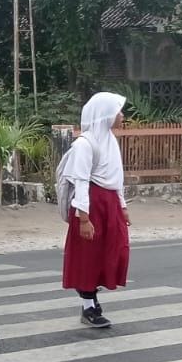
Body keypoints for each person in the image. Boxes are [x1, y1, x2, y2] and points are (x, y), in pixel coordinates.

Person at [57, 92, 131, 328]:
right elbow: (80, 181)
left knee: (114, 252)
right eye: (118, 111)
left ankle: (91, 298)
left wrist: (122, 206)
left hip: (109, 204)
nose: (122, 116)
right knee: (88, 257)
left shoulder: (109, 140)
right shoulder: (85, 144)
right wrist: (84, 218)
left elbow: (116, 177)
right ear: (105, 114)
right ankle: (89, 306)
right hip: (90, 204)